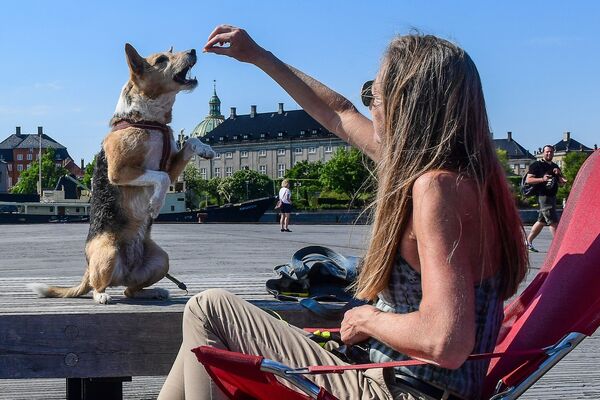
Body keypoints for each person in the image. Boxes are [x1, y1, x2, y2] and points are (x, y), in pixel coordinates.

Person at [158, 25, 528, 400]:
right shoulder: (472, 179)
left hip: (397, 390)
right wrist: (258, 56)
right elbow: (338, 112)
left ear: (406, 107)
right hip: (390, 377)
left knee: (207, 309)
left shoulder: (437, 187)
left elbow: (446, 342)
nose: (368, 104)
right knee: (198, 343)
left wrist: (370, 318)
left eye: (374, 94)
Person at [525, 145, 567, 252]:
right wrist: (542, 179)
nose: (549, 154)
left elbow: (562, 182)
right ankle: (559, 248)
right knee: (553, 222)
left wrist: (560, 174)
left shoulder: (554, 166)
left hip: (552, 197)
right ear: (543, 153)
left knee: (541, 222)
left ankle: (527, 242)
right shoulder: (537, 165)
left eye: (551, 152)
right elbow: (528, 180)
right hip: (544, 197)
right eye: (547, 152)